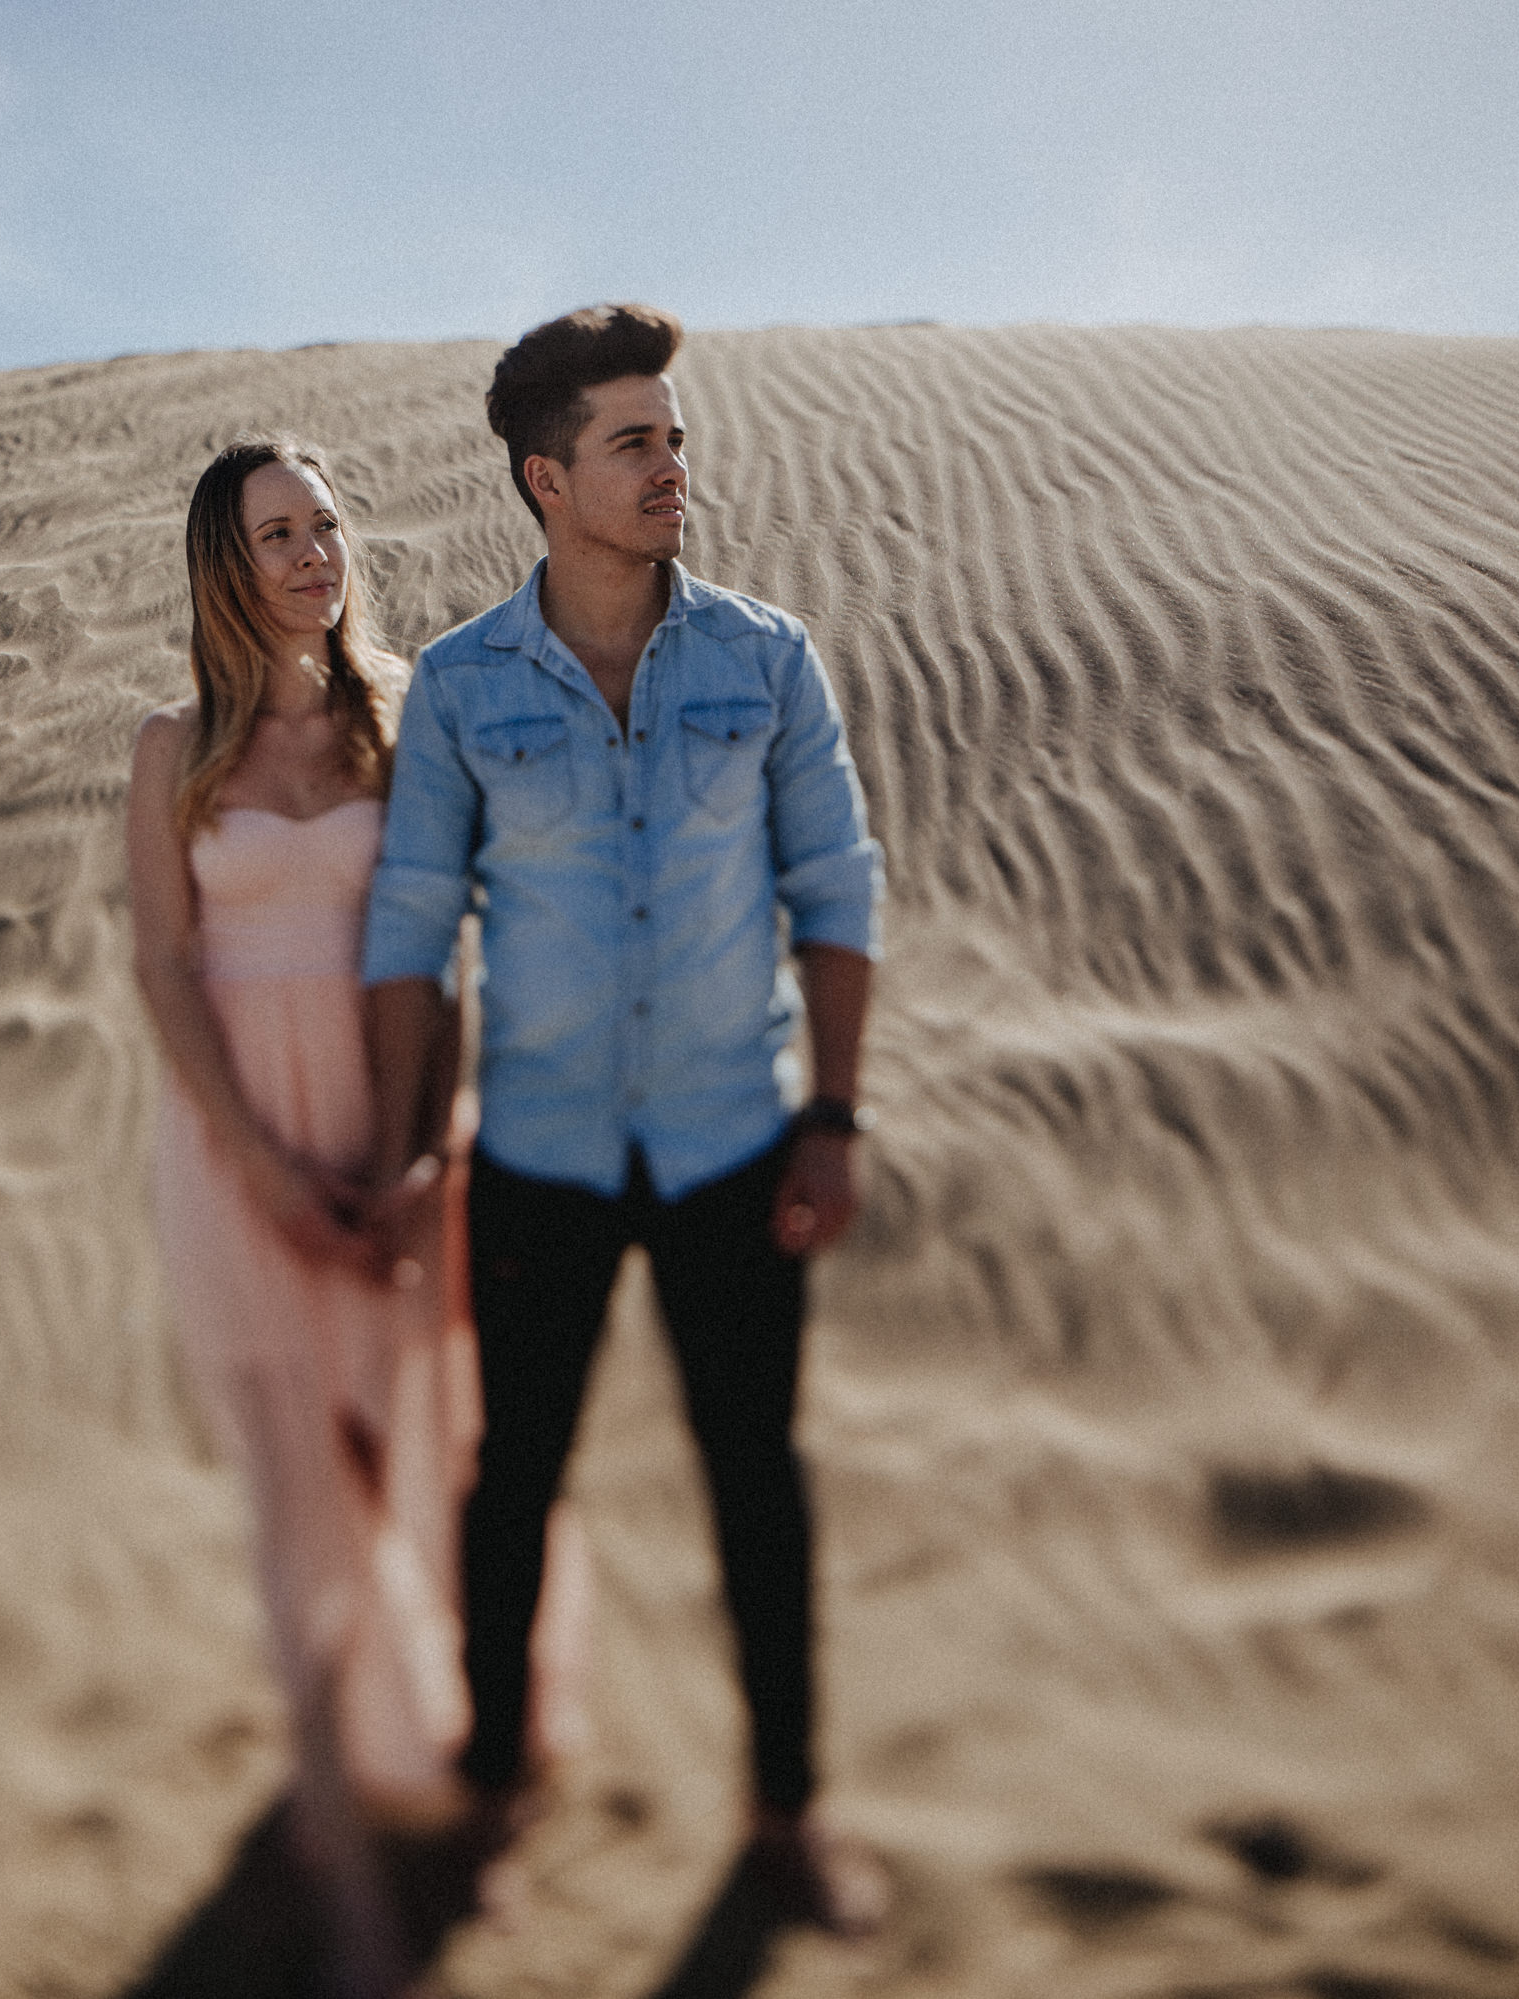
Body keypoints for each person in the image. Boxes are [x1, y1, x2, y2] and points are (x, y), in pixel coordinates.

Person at [360, 304, 891, 1934]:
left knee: (757, 1480)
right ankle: (493, 1788)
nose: (676, 465)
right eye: (634, 442)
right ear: (548, 477)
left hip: (736, 1139)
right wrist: (403, 1150)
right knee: (512, 1480)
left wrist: (837, 1118)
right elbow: (410, 927)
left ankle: (787, 1816)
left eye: (676, 434)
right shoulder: (457, 687)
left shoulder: (769, 656)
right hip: (539, 1157)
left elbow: (837, 890)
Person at [128, 436, 585, 1992]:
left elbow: (441, 950)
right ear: (225, 564)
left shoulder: (412, 722)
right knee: (294, 1503)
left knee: (419, 1468)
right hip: (240, 1146)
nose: (315, 554)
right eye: (279, 533)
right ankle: (341, 1873)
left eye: (326, 525)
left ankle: (466, 1776)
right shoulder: (168, 746)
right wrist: (261, 1167)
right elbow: (165, 971)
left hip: (391, 1135)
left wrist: (407, 1165)